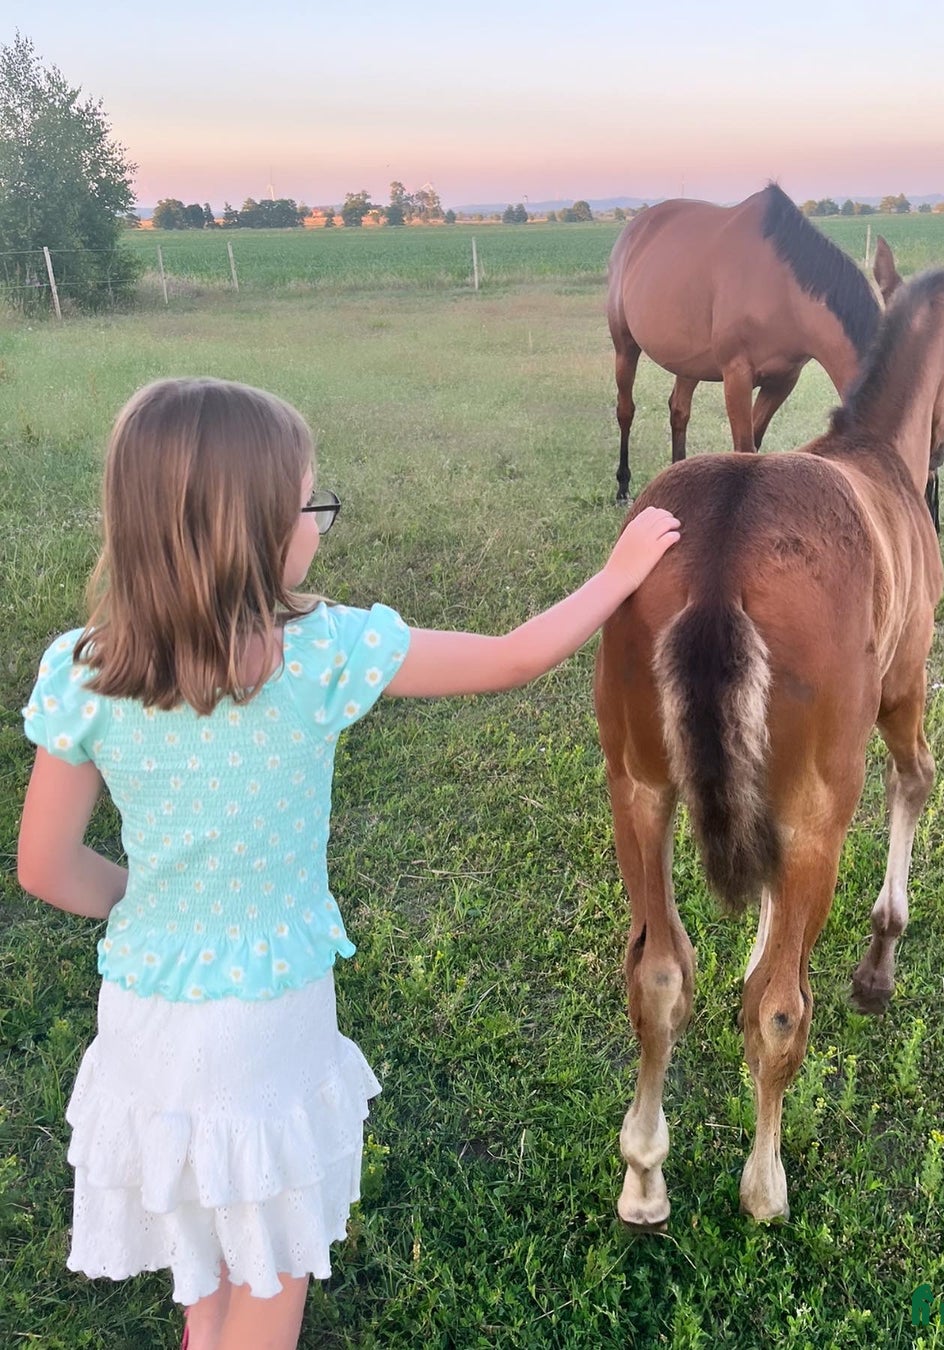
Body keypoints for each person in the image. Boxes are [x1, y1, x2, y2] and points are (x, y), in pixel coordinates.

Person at [17, 376, 680, 1350]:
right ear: (249, 529)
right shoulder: (320, 655)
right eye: (310, 506)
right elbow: (510, 656)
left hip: (145, 1027)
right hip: (267, 1032)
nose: (320, 526)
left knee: (206, 1264)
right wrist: (621, 573)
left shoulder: (83, 668)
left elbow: (46, 867)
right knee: (273, 1276)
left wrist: (141, 902)